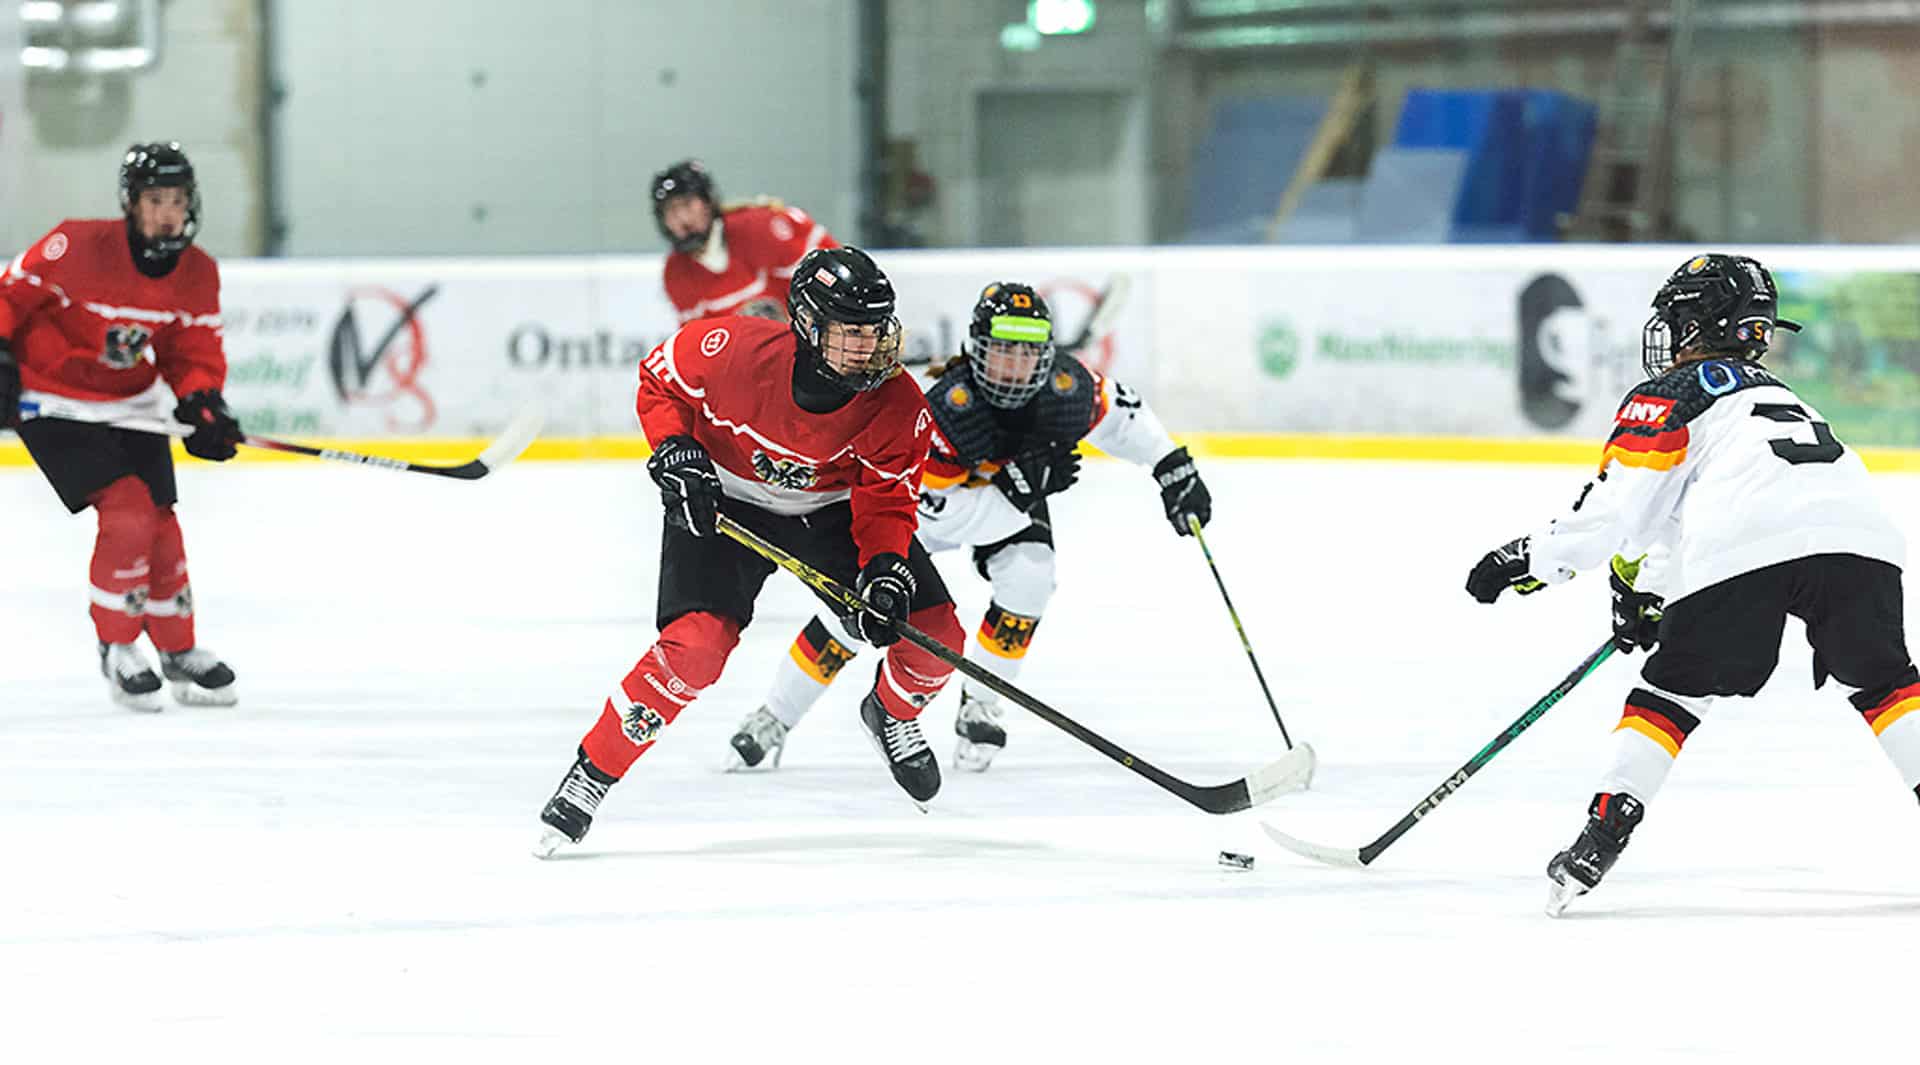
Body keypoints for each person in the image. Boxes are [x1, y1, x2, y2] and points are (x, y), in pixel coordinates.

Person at [1465, 253, 1917, 916]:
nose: (1670, 332)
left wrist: (1526, 558)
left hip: (1750, 541)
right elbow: (1696, 509)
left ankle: (1603, 834)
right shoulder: (1781, 397)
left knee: (1671, 691)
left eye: (1679, 318)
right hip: (1863, 538)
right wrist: (1649, 589)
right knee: (1886, 685)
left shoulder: (1674, 393)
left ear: (1699, 321)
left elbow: (1617, 514)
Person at [534, 246, 966, 857]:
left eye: (876, 332)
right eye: (851, 334)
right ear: (809, 327)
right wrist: (676, 450)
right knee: (696, 649)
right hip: (724, 499)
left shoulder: (897, 405)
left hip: (829, 511)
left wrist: (885, 571)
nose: (868, 348)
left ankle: (891, 713)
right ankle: (592, 774)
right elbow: (660, 381)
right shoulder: (731, 350)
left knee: (936, 635)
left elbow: (886, 503)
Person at [726, 281, 1212, 774]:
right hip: (922, 512)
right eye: (1003, 351)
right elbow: (939, 509)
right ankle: (775, 715)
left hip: (1001, 496)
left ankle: (980, 703)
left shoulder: (1066, 389)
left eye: (1028, 353)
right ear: (978, 350)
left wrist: (1171, 465)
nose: (1016, 366)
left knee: (1031, 574)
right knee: (855, 613)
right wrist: (1016, 491)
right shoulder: (946, 408)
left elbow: (1123, 417)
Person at [1, 142, 244, 712]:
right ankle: (117, 646)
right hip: (52, 401)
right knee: (128, 509)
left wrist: (204, 401)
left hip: (131, 403)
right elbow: (8, 296)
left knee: (161, 522)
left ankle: (178, 651)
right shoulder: (76, 245)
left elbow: (192, 350)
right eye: (156, 199)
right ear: (131, 204)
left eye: (178, 200)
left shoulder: (197, 272)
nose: (168, 212)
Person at [652, 159, 838, 323]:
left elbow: (834, 275)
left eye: (687, 204)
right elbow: (700, 344)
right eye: (670, 211)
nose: (682, 219)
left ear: (708, 201)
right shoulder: (676, 272)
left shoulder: (760, 227)